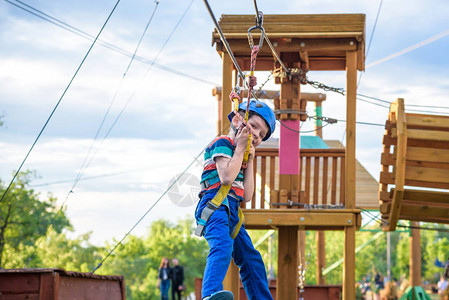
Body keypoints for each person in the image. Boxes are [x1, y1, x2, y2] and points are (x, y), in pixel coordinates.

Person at [195, 99, 276, 300]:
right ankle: (210, 294)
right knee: (222, 245)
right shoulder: (222, 142)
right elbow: (227, 178)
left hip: (231, 212)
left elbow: (247, 196)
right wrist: (240, 149)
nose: (256, 134)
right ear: (238, 120)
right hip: (214, 206)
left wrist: (251, 159)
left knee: (251, 258)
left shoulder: (243, 155)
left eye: (261, 135)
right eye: (254, 126)